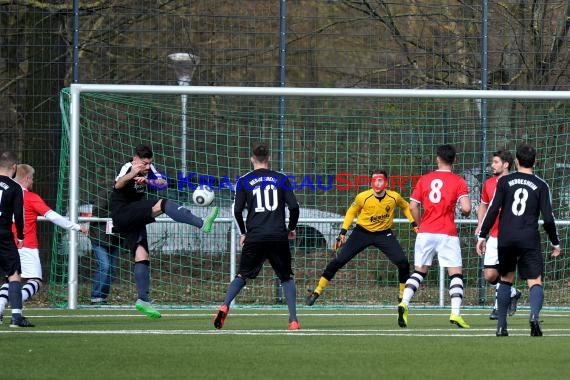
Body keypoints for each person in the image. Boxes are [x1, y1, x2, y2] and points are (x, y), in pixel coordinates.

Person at [111, 144, 218, 319]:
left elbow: (163, 183)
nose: (147, 167)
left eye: (149, 163)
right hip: (122, 212)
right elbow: (118, 184)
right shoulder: (127, 167)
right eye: (144, 163)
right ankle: (201, 222)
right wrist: (132, 174)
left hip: (134, 216)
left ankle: (143, 300)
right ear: (136, 159)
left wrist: (148, 180)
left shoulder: (149, 169)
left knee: (142, 255)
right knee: (162, 204)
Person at [213, 142, 300, 330]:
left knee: (242, 275)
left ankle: (225, 305)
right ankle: (293, 320)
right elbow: (294, 207)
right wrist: (291, 228)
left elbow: (236, 211)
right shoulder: (281, 178)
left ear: (252, 158)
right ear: (269, 158)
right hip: (278, 236)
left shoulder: (244, 180)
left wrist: (243, 232)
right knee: (286, 277)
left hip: (255, 236)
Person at [477, 144, 561, 337]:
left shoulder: (505, 182)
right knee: (535, 281)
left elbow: (492, 210)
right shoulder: (541, 185)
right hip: (528, 238)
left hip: (505, 238)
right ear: (535, 161)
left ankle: (501, 326)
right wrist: (555, 242)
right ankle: (533, 317)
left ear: (515, 161)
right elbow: (548, 218)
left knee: (506, 280)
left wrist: (482, 236)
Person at [306, 169, 418, 306]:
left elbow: (406, 206)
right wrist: (342, 232)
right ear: (371, 183)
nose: (377, 183)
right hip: (362, 233)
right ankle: (317, 291)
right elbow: (351, 212)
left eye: (380, 180)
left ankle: (402, 297)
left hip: (384, 234)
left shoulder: (394, 197)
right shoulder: (362, 197)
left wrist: (414, 223)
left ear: (386, 182)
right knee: (339, 260)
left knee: (403, 262)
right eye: (374, 180)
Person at [0, 164, 88, 321]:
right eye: (32, 178)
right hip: (26, 244)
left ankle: (1, 306)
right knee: (36, 281)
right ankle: (16, 305)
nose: (33, 182)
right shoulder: (30, 197)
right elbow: (53, 216)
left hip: (6, 243)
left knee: (11, 278)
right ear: (27, 178)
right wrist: (76, 226)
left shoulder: (6, 193)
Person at [398, 144, 472, 329]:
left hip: (426, 232)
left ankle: (404, 302)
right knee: (455, 273)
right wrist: (462, 213)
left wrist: (419, 224)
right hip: (447, 232)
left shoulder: (424, 179)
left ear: (437, 159)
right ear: (454, 160)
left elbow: (412, 206)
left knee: (419, 271)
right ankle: (455, 313)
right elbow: (467, 208)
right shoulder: (458, 181)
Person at [475, 150, 521, 320]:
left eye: (495, 162)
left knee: (503, 271)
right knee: (490, 275)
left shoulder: (516, 183)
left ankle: (497, 307)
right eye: (492, 162)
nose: (492, 165)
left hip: (510, 235)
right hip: (493, 235)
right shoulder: (488, 183)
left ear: (506, 164)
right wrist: (481, 225)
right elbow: (483, 205)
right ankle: (512, 292)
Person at [0, 151, 32, 327]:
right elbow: (18, 215)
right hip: (3, 235)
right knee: (13, 275)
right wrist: (20, 236)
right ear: (14, 167)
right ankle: (16, 317)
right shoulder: (14, 187)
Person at [90, 185, 121, 305]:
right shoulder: (106, 193)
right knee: (105, 266)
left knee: (111, 269)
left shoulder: (129, 194)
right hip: (99, 237)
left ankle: (102, 298)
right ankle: (96, 297)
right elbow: (97, 211)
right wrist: (117, 213)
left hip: (115, 238)